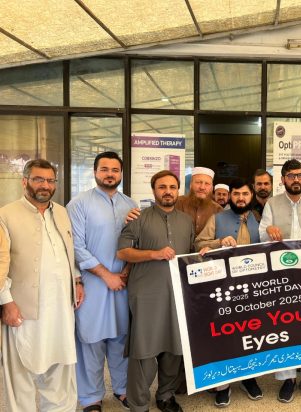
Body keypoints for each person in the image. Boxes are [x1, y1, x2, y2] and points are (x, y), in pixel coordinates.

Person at [0, 159, 84, 411]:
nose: (45, 185)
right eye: (38, 179)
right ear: (24, 181)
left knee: (60, 369)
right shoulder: (6, 214)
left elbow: (69, 251)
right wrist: (6, 302)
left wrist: (77, 279)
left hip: (60, 308)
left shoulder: (61, 212)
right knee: (20, 374)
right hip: (22, 309)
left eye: (50, 180)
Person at [117, 170, 194, 412]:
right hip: (146, 294)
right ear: (154, 191)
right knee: (144, 349)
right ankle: (139, 404)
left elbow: (191, 253)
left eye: (172, 187)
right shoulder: (139, 218)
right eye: (162, 187)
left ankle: (166, 396)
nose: (167, 191)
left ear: (178, 190)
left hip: (177, 294)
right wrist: (154, 254)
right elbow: (122, 252)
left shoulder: (186, 221)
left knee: (174, 347)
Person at [67, 152, 137, 411]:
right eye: (104, 169)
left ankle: (122, 390)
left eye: (115, 170)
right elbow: (76, 246)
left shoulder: (130, 204)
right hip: (93, 284)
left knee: (121, 338)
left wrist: (126, 271)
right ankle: (91, 397)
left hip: (123, 284)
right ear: (95, 172)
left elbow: (136, 242)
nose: (110, 174)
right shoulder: (79, 204)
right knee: (91, 341)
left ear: (121, 173)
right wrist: (106, 275)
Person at [259, 159, 301, 403]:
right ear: (283, 180)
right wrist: (268, 231)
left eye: (300, 175)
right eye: (291, 176)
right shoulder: (272, 203)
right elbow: (262, 233)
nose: (296, 180)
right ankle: (288, 379)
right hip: (283, 277)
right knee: (285, 326)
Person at [195, 178, 263, 407]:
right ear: (230, 196)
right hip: (223, 289)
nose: (240, 198)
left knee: (251, 335)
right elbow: (198, 244)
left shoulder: (258, 219)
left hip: (253, 289)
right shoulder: (217, 218)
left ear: (251, 196)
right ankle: (223, 385)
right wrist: (218, 242)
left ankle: (249, 378)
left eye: (245, 194)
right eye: (236, 194)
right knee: (224, 336)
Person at [127, 166, 222, 236]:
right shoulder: (175, 202)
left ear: (212, 188)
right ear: (190, 185)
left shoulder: (219, 211)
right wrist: (135, 215)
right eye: (198, 182)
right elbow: (155, 213)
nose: (202, 187)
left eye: (207, 184)